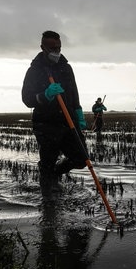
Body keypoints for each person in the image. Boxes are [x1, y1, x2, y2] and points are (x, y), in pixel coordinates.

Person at [22, 30, 87, 196]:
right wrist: (45, 95)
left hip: (68, 121)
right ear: (43, 47)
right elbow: (27, 99)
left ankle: (55, 173)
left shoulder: (66, 68)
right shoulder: (35, 71)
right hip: (46, 125)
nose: (56, 52)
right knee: (47, 164)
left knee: (81, 158)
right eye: (52, 48)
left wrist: (79, 113)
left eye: (58, 48)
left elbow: (74, 93)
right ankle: (48, 202)